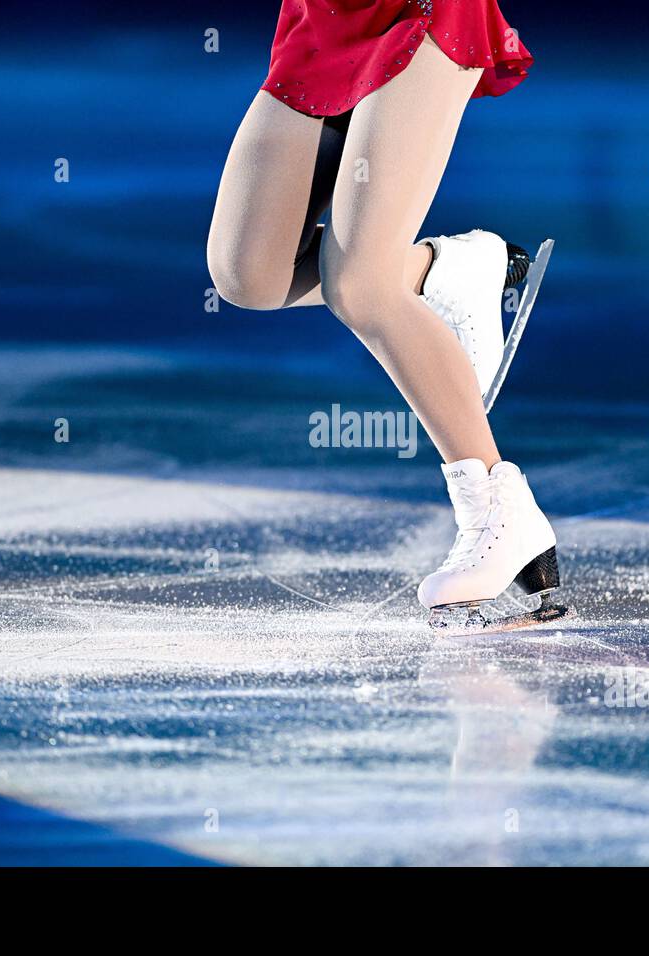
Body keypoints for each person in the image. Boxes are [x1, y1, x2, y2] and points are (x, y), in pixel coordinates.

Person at [207, 1, 559, 625]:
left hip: (421, 12)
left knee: (361, 287)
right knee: (248, 272)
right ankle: (448, 268)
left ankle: (499, 509)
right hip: (323, 22)